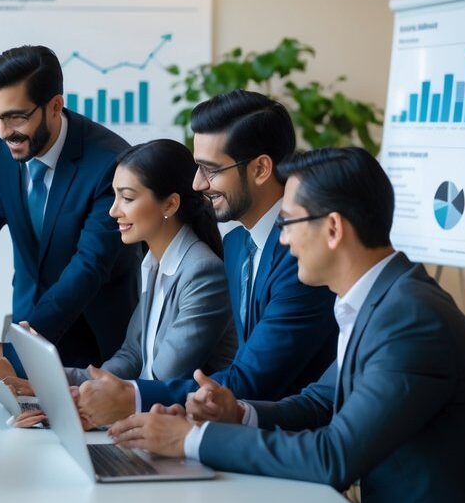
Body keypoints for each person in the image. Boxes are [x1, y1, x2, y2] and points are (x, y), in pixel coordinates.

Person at [109, 147, 465, 503]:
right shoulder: (377, 298)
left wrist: (188, 441)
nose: (284, 242)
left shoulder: (410, 318)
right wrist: (237, 412)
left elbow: (333, 455)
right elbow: (319, 402)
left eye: (288, 224)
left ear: (332, 228)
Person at [0, 139, 237, 428]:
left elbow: (163, 375)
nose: (113, 211)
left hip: (178, 428)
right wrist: (46, 385)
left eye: (127, 197)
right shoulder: (152, 263)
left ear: (170, 204)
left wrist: (80, 399)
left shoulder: (202, 272)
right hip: (145, 420)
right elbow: (131, 355)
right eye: (114, 196)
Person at [130, 90, 336, 412]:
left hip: (287, 438)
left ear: (260, 169)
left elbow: (253, 378)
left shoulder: (303, 257)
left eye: (210, 170)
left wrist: (132, 397)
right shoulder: (237, 244)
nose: (197, 184)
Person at [0, 45, 139, 371]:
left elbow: (90, 265)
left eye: (16, 116)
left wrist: (21, 342)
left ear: (54, 106)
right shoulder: (3, 141)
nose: (4, 132)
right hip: (28, 322)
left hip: (95, 339)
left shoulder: (110, 163)